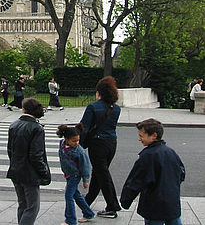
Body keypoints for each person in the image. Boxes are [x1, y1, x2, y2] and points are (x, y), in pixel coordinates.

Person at [120, 118, 185, 225]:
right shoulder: (171, 152)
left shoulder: (147, 156)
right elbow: (181, 173)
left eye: (141, 136)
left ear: (154, 136)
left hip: (154, 205)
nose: (139, 139)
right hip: (172, 203)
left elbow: (136, 180)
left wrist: (126, 200)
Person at [79, 76, 121, 219]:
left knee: (102, 174)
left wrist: (79, 144)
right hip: (111, 142)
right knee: (99, 173)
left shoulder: (93, 107)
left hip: (97, 144)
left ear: (99, 92)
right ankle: (88, 201)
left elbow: (83, 128)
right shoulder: (116, 108)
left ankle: (112, 206)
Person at [7, 98, 51, 225]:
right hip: (30, 172)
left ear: (24, 110)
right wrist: (44, 171)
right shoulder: (36, 128)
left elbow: (10, 150)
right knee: (32, 207)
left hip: (16, 169)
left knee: (23, 204)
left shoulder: (14, 125)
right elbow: (36, 155)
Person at [57, 123, 94, 225]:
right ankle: (88, 213)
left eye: (78, 140)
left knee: (69, 196)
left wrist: (85, 180)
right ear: (66, 139)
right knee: (76, 195)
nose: (77, 143)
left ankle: (70, 220)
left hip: (75, 175)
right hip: (68, 174)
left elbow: (85, 166)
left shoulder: (79, 151)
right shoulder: (62, 144)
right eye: (74, 141)